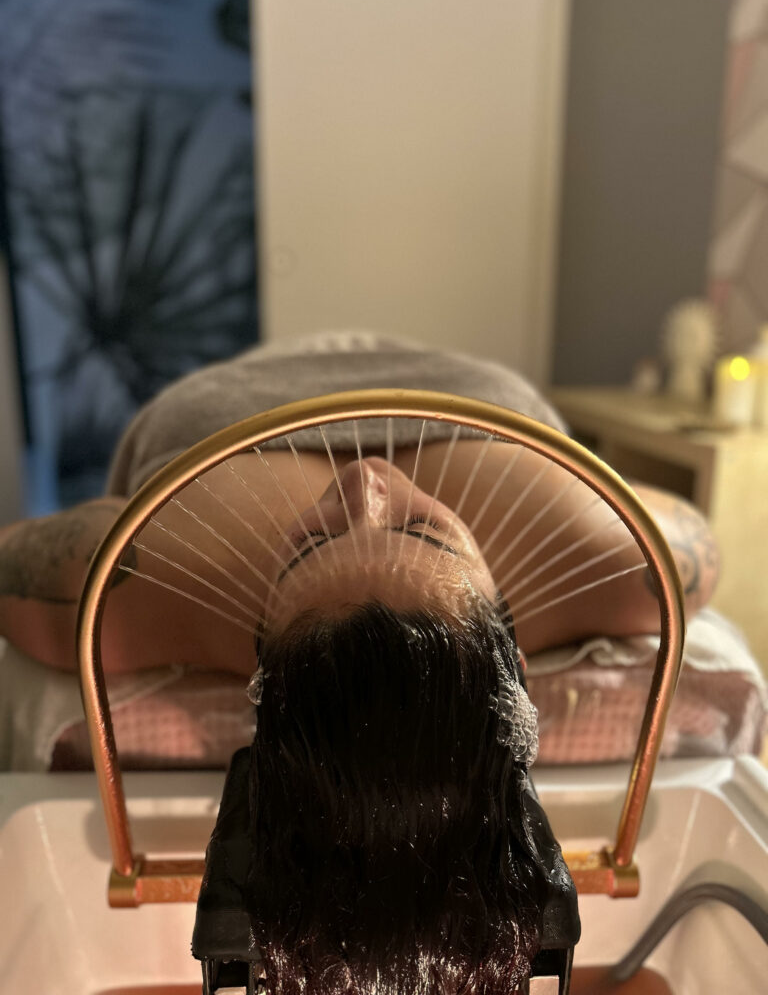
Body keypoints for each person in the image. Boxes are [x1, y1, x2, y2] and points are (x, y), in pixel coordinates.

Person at [0, 333, 718, 993]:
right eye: (427, 531)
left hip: (240, 391)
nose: (367, 482)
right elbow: (698, 545)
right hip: (460, 377)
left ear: (259, 667)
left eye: (309, 545)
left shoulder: (129, 588)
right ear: (517, 658)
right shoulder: (617, 560)